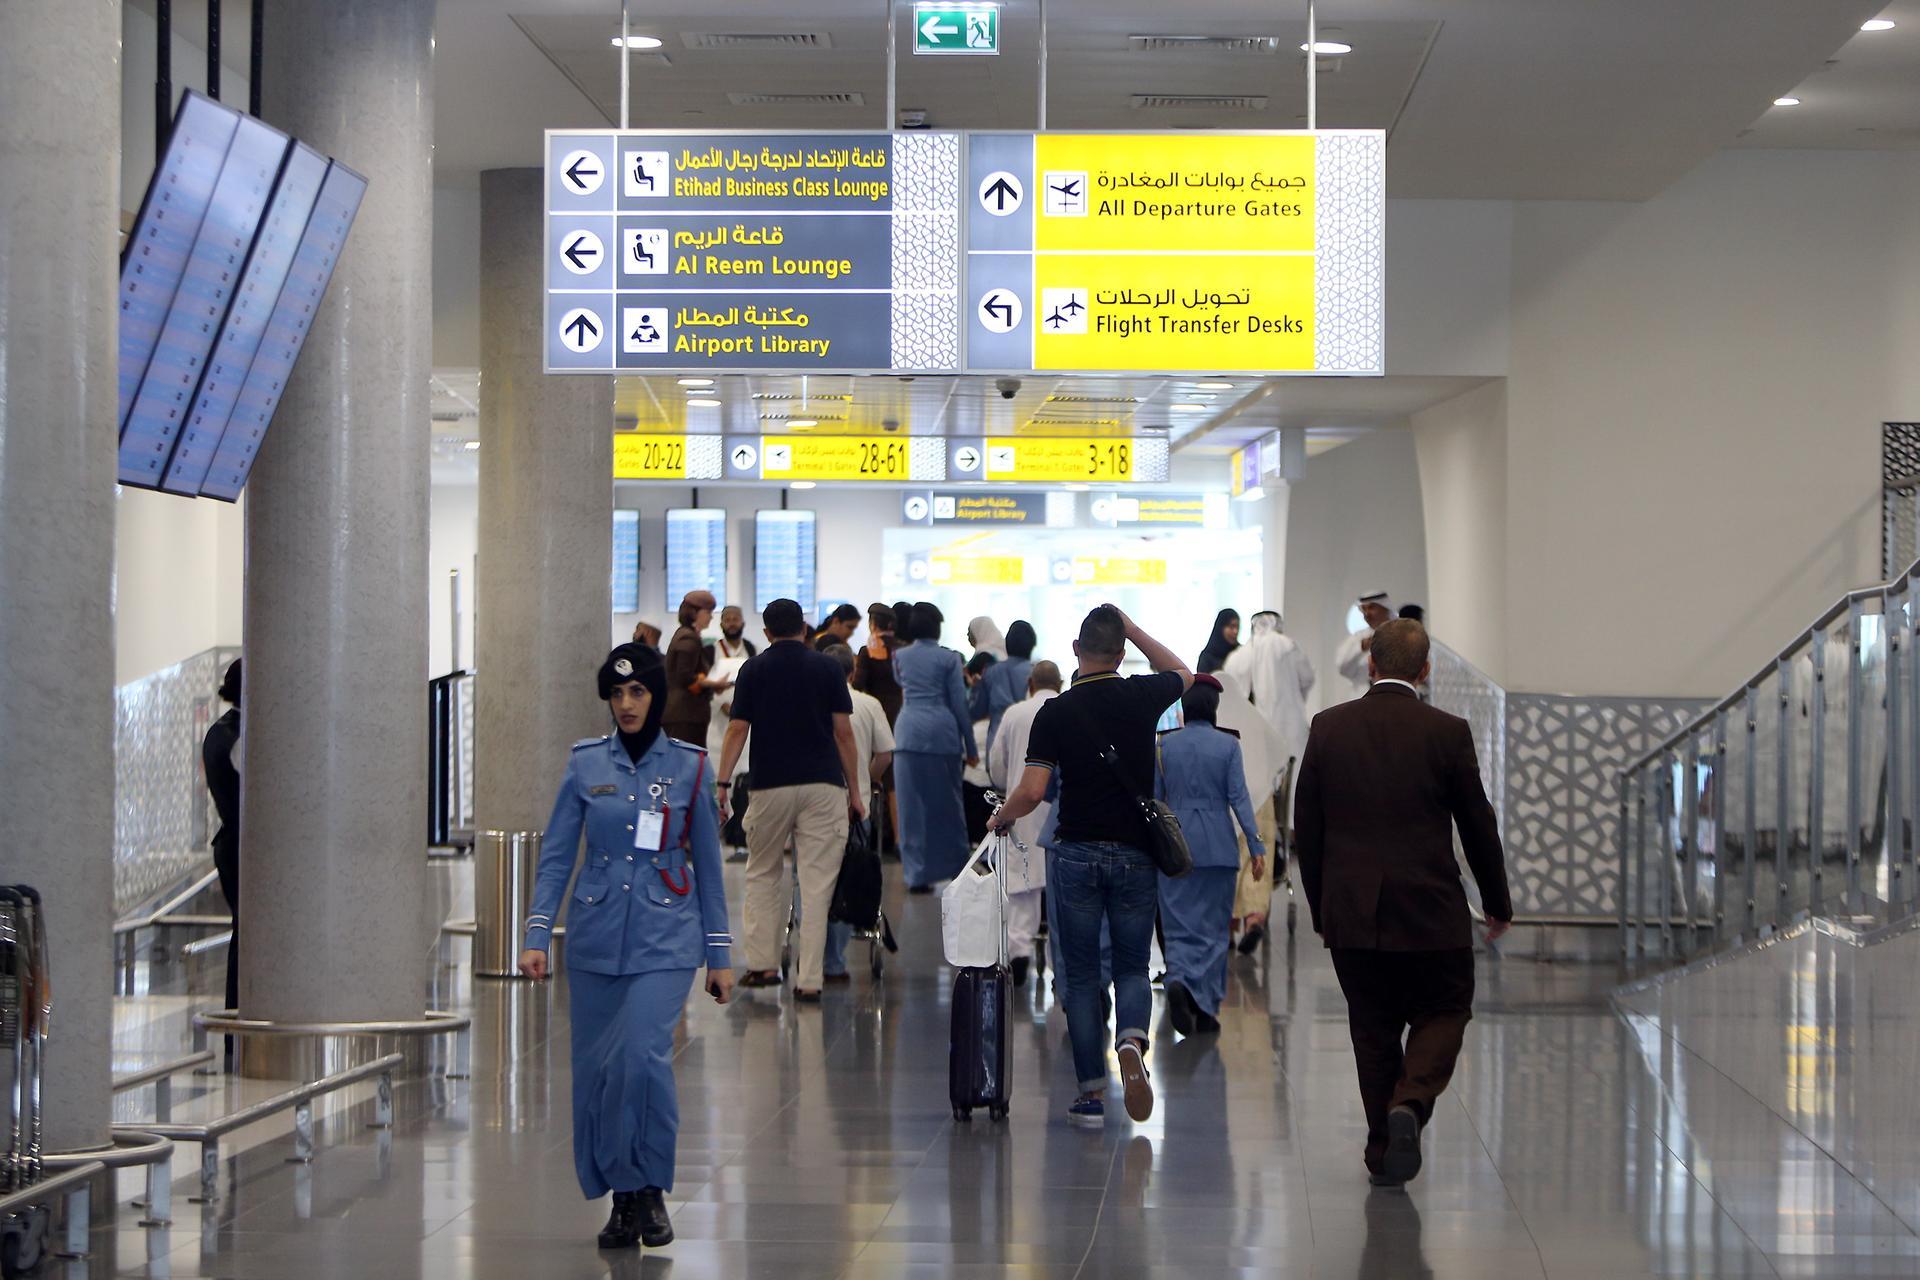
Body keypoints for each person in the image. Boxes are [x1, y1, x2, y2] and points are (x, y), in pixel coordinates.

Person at [517, 643, 734, 1250]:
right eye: (616, 694)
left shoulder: (689, 765)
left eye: (637, 691)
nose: (626, 704)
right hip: (594, 938)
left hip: (666, 936)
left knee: (643, 1059)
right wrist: (537, 933)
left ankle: (651, 1188)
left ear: (656, 696)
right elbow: (558, 854)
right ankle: (622, 1197)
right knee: (601, 1073)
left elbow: (711, 870)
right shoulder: (586, 764)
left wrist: (719, 954)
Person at [1293, 618, 1512, 1189]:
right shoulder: (1447, 731)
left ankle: (1381, 1149)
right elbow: (1477, 824)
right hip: (1430, 909)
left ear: (1370, 664)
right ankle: (1410, 1105)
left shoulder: (1328, 728)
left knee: (1373, 1028)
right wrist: (1497, 902)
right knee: (1445, 1008)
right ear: (1425, 670)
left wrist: (1322, 910)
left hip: (1352, 913)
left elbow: (1307, 831)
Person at [990, 605, 1193, 1129]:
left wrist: (1001, 817)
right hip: (1135, 854)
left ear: (1075, 651)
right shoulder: (1142, 695)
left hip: (1076, 852)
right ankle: (1130, 1041)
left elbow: (1034, 791)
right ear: (1121, 654)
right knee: (1130, 965)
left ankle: (1090, 1095)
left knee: (1080, 978)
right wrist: (1136, 628)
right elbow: (1185, 673)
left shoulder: (1054, 711)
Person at [715, 599, 865, 1001]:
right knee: (817, 885)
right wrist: (855, 791)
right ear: (804, 629)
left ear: (766, 633)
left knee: (763, 872)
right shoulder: (828, 669)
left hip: (769, 785)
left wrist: (723, 783)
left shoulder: (753, 669)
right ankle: (810, 979)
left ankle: (763, 967)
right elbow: (844, 734)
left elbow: (737, 729)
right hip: (823, 786)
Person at [1154, 675, 1265, 1036]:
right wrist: (1257, 845)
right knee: (1215, 930)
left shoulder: (1164, 746)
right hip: (1219, 845)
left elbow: (1155, 801)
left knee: (1179, 925)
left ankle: (1180, 979)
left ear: (1183, 709)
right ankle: (1205, 1006)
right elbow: (1240, 799)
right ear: (1214, 708)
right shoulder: (1228, 746)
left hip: (1175, 847)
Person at [1224, 610, 1315, 951]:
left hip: (1229, 797)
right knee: (1259, 844)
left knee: (1231, 852)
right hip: (1272, 767)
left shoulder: (1240, 657)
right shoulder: (1290, 646)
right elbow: (1307, 680)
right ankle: (1255, 918)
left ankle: (1229, 922)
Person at [820, 643, 895, 982]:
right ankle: (835, 962)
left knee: (813, 879)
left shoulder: (811, 705)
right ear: (852, 672)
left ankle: (813, 957)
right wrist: (868, 777)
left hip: (815, 801)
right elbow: (884, 755)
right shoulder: (868, 704)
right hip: (857, 804)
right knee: (845, 875)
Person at [985, 659, 1061, 985]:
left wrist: (1008, 787)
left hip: (1023, 805)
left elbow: (997, 765)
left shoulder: (1014, 713)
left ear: (1030, 682)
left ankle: (1018, 952)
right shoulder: (1066, 708)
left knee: (1023, 887)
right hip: (1059, 809)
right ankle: (1064, 969)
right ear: (1058, 684)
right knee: (1062, 895)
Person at [892, 602, 974, 892]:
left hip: (907, 734)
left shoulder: (899, 656)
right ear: (937, 628)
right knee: (949, 807)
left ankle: (916, 875)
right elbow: (959, 704)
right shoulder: (949, 659)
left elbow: (899, 682)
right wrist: (971, 746)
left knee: (910, 808)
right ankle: (956, 869)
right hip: (943, 735)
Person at [202, 658, 243, 1025]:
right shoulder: (241, 737)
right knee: (248, 937)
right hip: (244, 845)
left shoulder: (219, 731)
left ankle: (236, 1022)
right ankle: (239, 1021)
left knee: (243, 933)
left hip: (231, 843)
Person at [663, 590, 727, 747]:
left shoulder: (684, 634)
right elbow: (685, 676)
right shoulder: (689, 637)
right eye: (708, 612)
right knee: (686, 765)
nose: (711, 617)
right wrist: (715, 684)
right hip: (686, 714)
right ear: (694, 612)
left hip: (681, 714)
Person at [979, 619, 1035, 755]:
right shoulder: (1036, 672)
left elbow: (979, 709)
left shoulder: (991, 672)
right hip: (1028, 742)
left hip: (997, 742)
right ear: (1031, 645)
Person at [1334, 590, 1394, 701]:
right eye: (1364, 609)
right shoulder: (1357, 638)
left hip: (1393, 696)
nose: (1367, 614)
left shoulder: (1400, 634)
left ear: (1385, 607)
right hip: (1361, 697)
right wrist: (1360, 648)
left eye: (1371, 608)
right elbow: (1342, 667)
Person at [965, 616, 1008, 721]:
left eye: (970, 631)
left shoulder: (983, 657)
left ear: (979, 631)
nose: (967, 635)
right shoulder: (1002, 653)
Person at [1198, 608, 1240, 675]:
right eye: (1231, 627)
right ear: (1220, 628)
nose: (1235, 631)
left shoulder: (1240, 652)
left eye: (1237, 627)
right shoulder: (1207, 657)